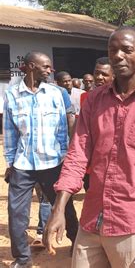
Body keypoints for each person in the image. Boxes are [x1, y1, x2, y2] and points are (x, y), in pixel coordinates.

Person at [44, 26, 135, 267]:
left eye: (127, 50)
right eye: (113, 50)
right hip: (92, 220)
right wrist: (59, 209)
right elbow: (77, 155)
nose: (118, 55)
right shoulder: (94, 101)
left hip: (134, 224)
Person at [3, 51, 79, 268]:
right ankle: (23, 258)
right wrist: (10, 162)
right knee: (16, 214)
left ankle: (76, 243)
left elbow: (63, 131)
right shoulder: (12, 95)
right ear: (30, 66)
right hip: (23, 165)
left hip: (53, 164)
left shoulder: (56, 93)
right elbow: (9, 132)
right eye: (46, 67)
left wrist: (65, 161)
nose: (50, 70)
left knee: (65, 208)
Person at [80, 57, 115, 192]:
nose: (99, 77)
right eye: (97, 73)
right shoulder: (87, 98)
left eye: (104, 74)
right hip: (93, 161)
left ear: (114, 75)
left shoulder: (122, 99)